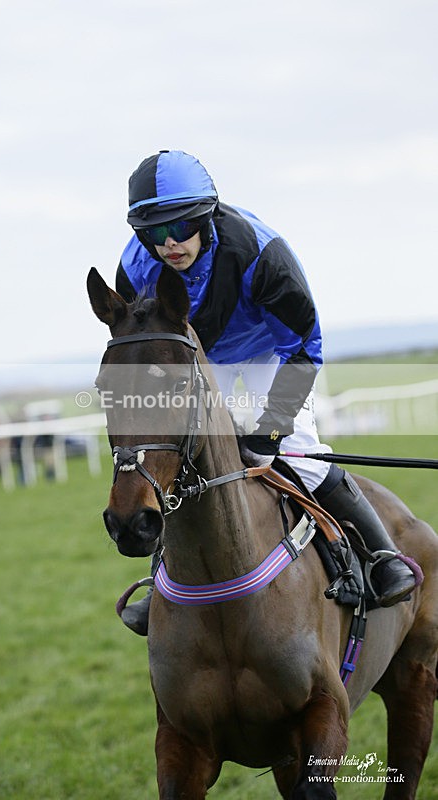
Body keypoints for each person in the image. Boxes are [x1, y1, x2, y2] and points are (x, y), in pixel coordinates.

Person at [114, 149, 416, 635]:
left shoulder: (260, 252)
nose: (169, 244)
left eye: (181, 227)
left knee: (298, 455)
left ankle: (382, 556)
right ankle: (161, 583)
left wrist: (273, 427)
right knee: (186, 465)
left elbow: (303, 343)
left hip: (269, 353)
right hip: (201, 359)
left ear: (206, 216)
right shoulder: (134, 269)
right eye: (153, 233)